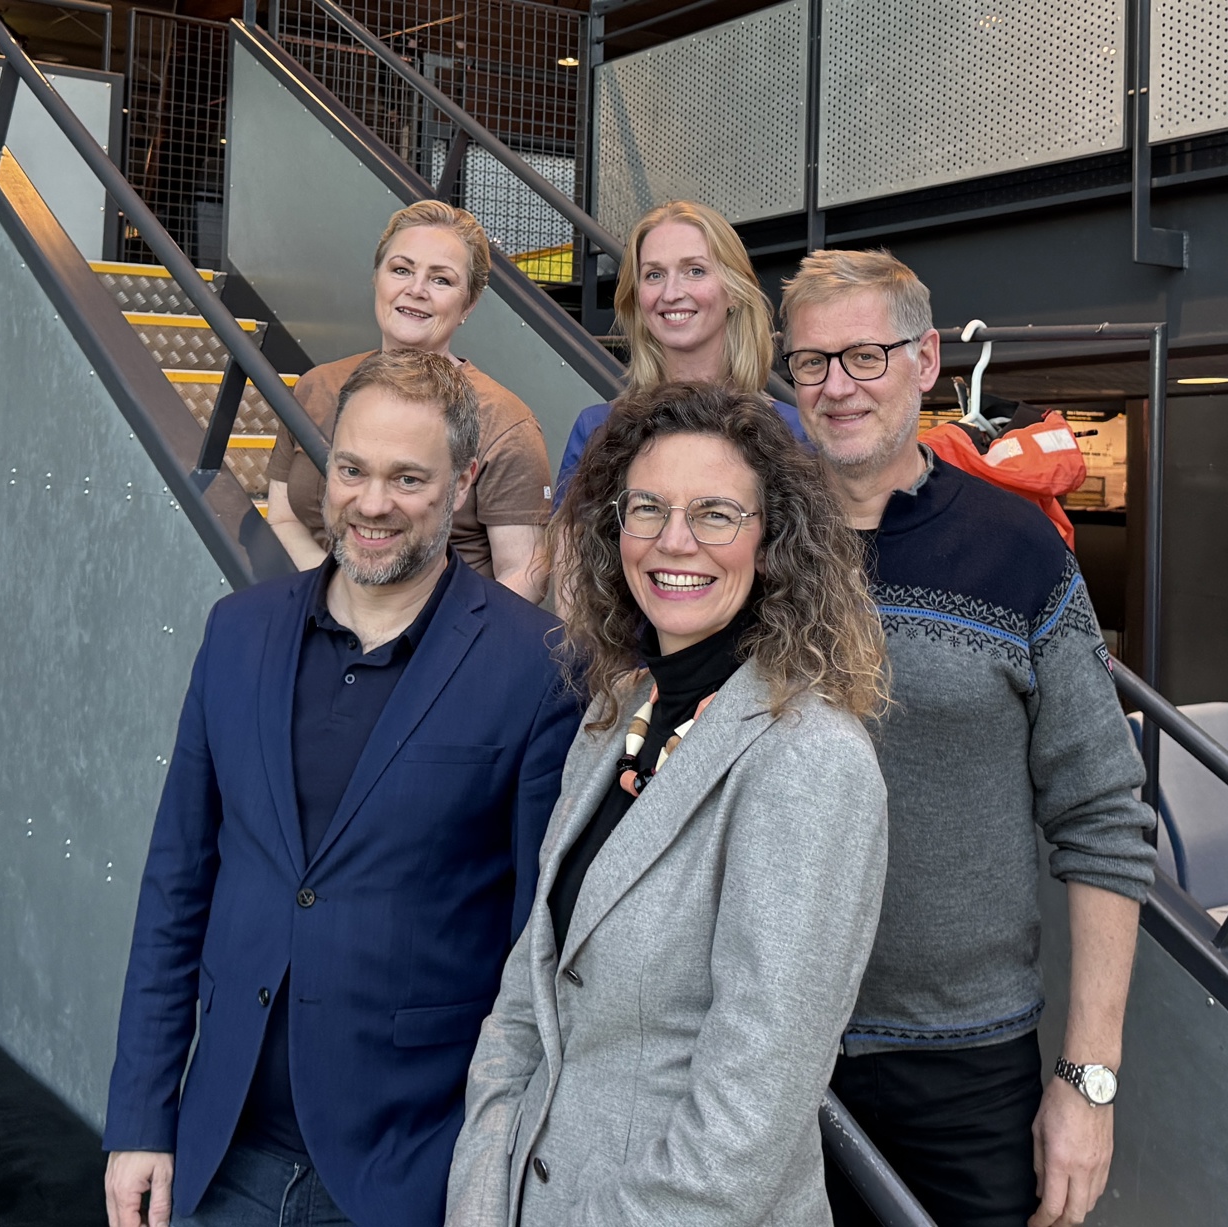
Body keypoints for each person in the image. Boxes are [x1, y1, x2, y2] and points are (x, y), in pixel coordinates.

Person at [102, 351, 581, 1227]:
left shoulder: (537, 664)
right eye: (352, 469)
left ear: (464, 481)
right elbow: (177, 886)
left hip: (409, 1167)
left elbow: (533, 940)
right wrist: (141, 1117)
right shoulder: (238, 632)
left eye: (409, 477)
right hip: (221, 1152)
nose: (371, 503)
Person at [446, 383, 889, 1227]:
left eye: (715, 513)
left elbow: (748, 1109)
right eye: (646, 508)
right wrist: (478, 1195)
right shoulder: (618, 712)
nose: (673, 541)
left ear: (772, 540)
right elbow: (526, 994)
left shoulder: (809, 758)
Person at [778, 250, 1156, 1227]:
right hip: (770, 1042)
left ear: (925, 360)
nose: (837, 387)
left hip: (965, 1064)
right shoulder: (751, 546)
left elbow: (1104, 819)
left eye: (864, 356)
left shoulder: (1018, 550)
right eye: (811, 363)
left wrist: (1087, 1083)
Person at [267, 200, 552, 601]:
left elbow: (527, 572)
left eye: (441, 280)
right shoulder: (317, 388)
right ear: (376, 280)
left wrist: (438, 642)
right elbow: (281, 516)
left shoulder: (504, 421)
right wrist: (338, 600)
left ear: (468, 304)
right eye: (401, 270)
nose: (415, 290)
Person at [551, 201, 809, 505]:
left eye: (695, 271)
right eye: (654, 275)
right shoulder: (596, 429)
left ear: (735, 291)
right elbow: (569, 550)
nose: (671, 293)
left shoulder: (794, 432)